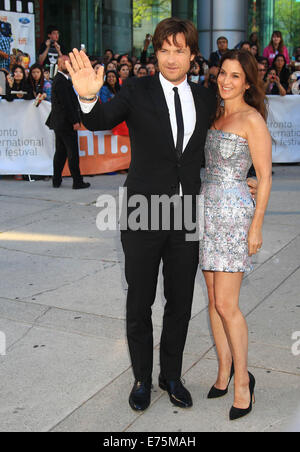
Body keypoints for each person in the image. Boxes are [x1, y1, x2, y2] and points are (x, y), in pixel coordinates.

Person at [66, 17, 257, 414]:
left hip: (187, 212)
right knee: (139, 300)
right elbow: (100, 121)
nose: (172, 58)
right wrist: (87, 99)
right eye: (164, 49)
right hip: (142, 212)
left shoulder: (207, 97)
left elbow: (229, 135)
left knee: (180, 301)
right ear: (156, 53)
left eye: (179, 50)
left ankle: (172, 375)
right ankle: (141, 378)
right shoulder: (136, 89)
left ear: (192, 55)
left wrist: (246, 175)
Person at [200, 49, 272, 421]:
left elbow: (264, 175)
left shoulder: (251, 119)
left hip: (232, 217)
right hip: (207, 212)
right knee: (213, 299)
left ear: (247, 82)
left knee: (228, 305)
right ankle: (224, 371)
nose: (226, 81)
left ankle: (243, 383)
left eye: (234, 76)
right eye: (222, 74)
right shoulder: (216, 113)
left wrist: (256, 224)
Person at [46, 55, 90, 190]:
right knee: (72, 152)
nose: (68, 65)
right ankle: (77, 181)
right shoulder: (61, 81)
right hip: (65, 123)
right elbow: (67, 104)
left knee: (60, 152)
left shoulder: (62, 80)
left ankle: (57, 180)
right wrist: (75, 121)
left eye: (70, 63)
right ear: (59, 65)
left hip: (60, 122)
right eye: (66, 63)